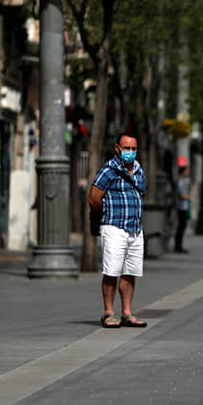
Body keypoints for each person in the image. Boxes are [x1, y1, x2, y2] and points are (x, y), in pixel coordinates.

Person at [88, 132, 148, 328]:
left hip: (135, 229)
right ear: (117, 148)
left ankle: (127, 312)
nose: (130, 152)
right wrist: (102, 216)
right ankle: (108, 312)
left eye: (133, 149)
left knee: (130, 272)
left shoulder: (139, 170)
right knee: (112, 271)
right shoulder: (108, 170)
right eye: (126, 148)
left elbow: (141, 195)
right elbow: (94, 198)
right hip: (114, 226)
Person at [174, 165, 191, 253]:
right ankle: (178, 246)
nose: (187, 173)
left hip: (183, 206)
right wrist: (188, 197)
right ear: (183, 171)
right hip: (181, 206)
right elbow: (181, 194)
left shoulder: (182, 181)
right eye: (186, 171)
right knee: (181, 226)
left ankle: (179, 246)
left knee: (182, 226)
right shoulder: (180, 181)